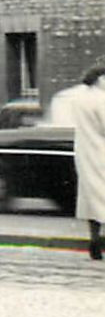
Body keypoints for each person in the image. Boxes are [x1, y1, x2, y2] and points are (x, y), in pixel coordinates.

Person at [68, 66, 105, 261]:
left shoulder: (79, 99)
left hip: (85, 152)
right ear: (100, 79)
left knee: (92, 200)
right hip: (102, 152)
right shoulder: (102, 99)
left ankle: (94, 240)